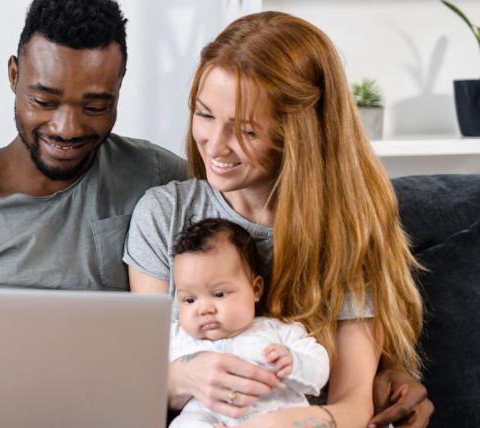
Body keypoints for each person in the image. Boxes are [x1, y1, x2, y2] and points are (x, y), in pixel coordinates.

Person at [124, 11, 433, 428]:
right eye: (205, 114)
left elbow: (351, 406)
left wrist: (289, 422)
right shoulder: (165, 215)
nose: (215, 145)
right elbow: (139, 376)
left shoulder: (348, 231)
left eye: (246, 131)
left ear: (299, 135)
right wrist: (184, 377)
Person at [0, 0, 187, 290]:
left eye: (94, 107)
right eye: (44, 102)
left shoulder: (160, 179)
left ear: (119, 88)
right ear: (14, 75)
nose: (67, 128)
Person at [167, 218, 329, 428]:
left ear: (255, 290)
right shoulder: (175, 338)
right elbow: (145, 384)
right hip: (209, 418)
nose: (204, 309)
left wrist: (295, 363)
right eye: (189, 300)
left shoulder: (278, 331)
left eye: (219, 294)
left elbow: (319, 370)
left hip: (275, 416)